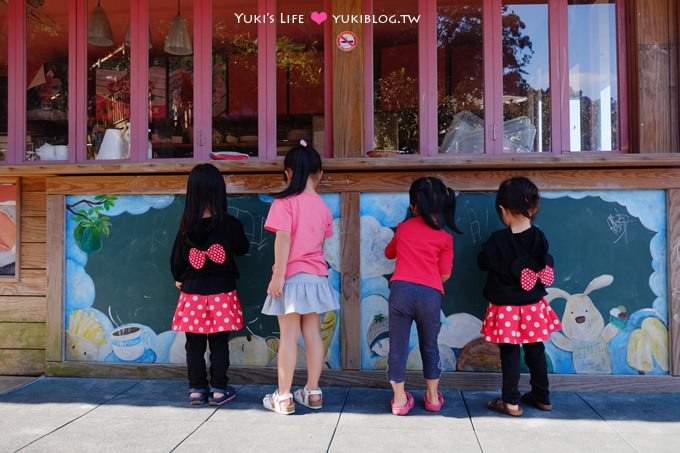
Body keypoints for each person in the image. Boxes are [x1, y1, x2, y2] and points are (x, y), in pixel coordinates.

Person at [261, 140, 339, 415]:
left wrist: (278, 277)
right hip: (317, 278)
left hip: (291, 277)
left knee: (288, 337)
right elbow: (322, 246)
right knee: (313, 335)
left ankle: (283, 397)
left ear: (289, 173)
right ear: (319, 174)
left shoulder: (284, 203)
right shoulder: (323, 207)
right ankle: (313, 391)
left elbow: (283, 239)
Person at [478, 176, 562, 417]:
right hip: (534, 305)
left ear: (503, 210)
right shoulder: (539, 236)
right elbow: (545, 259)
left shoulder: (497, 240)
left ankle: (511, 401)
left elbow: (482, 262)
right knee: (536, 350)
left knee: (510, 353)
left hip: (506, 308)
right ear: (533, 208)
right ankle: (542, 396)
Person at [170, 163, 250, 406]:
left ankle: (196, 389)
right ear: (220, 191)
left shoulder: (186, 227)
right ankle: (219, 389)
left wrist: (180, 277)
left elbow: (175, 260)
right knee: (219, 343)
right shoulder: (230, 224)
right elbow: (243, 248)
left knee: (193, 343)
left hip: (193, 292)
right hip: (221, 291)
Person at [384, 176, 461, 415]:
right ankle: (432, 397)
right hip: (429, 295)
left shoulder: (404, 228)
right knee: (430, 346)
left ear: (414, 206)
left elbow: (389, 253)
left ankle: (399, 400)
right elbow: (445, 273)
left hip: (400, 292)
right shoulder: (445, 238)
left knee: (397, 347)